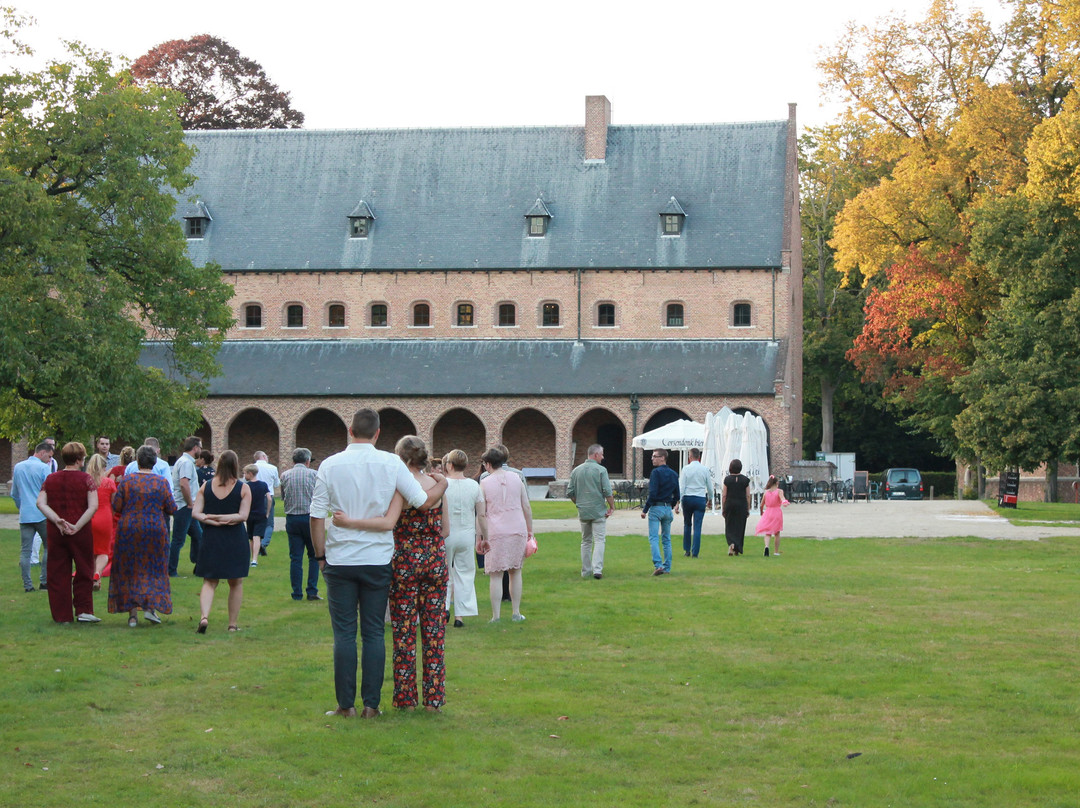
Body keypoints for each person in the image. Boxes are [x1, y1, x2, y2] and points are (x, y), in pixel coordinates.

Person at [310, 408, 446, 719]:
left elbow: (316, 515)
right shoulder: (390, 462)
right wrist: (444, 485)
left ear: (349, 429)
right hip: (376, 559)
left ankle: (346, 706)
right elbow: (423, 501)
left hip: (341, 559)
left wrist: (320, 555)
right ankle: (371, 705)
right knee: (373, 632)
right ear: (378, 433)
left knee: (344, 633)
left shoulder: (330, 465)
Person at [387, 436, 448, 711]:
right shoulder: (437, 485)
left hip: (405, 562)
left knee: (404, 632)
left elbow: (391, 522)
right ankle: (433, 701)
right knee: (434, 633)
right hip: (435, 559)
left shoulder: (399, 485)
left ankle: (406, 700)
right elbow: (445, 530)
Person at [109, 445, 177, 626]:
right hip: (154, 528)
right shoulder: (161, 482)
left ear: (137, 461)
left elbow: (116, 506)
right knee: (153, 568)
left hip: (129, 528)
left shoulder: (127, 481)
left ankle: (132, 615)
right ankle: (150, 609)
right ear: (154, 462)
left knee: (131, 569)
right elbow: (171, 508)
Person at [37, 442, 99, 623]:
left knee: (57, 572)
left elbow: (41, 503)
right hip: (80, 531)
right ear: (80, 459)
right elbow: (93, 506)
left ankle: (62, 615)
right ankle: (83, 609)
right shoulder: (86, 479)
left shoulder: (51, 479)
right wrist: (77, 525)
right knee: (84, 569)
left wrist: (56, 520)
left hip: (57, 532)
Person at [192, 450, 252, 633]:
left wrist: (211, 519)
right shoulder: (243, 488)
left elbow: (196, 513)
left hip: (211, 537)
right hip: (234, 538)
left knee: (209, 581)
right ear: (236, 465)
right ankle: (232, 624)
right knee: (236, 582)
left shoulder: (206, 486)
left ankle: (204, 617)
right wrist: (225, 518)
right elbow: (243, 516)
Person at [478, 445, 532, 622]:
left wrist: (480, 536)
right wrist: (530, 530)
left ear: (488, 464)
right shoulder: (517, 478)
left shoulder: (484, 482)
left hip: (495, 531)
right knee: (516, 571)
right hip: (518, 528)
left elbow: (482, 513)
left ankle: (496, 616)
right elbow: (526, 506)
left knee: (495, 574)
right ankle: (516, 612)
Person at [441, 449, 486, 627]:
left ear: (449, 465)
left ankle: (443, 608)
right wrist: (484, 537)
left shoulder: (443, 484)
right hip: (467, 534)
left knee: (444, 573)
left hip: (446, 533)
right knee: (465, 574)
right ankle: (460, 615)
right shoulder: (474, 486)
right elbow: (481, 515)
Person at [567, 444, 614, 580]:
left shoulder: (576, 470)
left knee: (585, 541)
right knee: (599, 540)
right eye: (602, 454)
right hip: (598, 510)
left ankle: (585, 571)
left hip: (583, 511)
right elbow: (607, 491)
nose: (603, 457)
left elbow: (570, 492)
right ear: (596, 455)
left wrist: (578, 503)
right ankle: (597, 569)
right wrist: (612, 506)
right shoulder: (601, 470)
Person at [12, 442, 54, 593]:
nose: (49, 460)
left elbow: (14, 493)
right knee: (48, 547)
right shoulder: (44, 468)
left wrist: (21, 506)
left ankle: (27, 585)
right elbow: (50, 491)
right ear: (42, 452)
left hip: (25, 514)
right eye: (49, 456)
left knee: (25, 551)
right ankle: (44, 581)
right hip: (41, 514)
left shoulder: (18, 467)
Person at [280, 448, 321, 601]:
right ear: (308, 461)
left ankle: (296, 593)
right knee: (314, 556)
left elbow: (284, 497)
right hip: (309, 518)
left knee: (296, 558)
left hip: (292, 518)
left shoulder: (285, 475)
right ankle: (312, 591)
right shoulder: (314, 474)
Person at [641, 448, 680, 576]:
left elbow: (653, 493)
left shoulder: (656, 473)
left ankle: (658, 564)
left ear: (662, 457)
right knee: (666, 539)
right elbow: (677, 494)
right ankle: (667, 567)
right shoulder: (674, 474)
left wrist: (645, 509)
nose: (652, 458)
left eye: (655, 456)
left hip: (656, 507)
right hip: (667, 508)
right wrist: (671, 505)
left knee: (653, 537)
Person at [168, 436, 203, 577]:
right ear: (195, 448)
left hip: (188, 506)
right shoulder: (186, 463)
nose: (201, 450)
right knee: (178, 539)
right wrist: (190, 503)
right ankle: (171, 570)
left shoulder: (186, 462)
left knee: (199, 536)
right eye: (200, 447)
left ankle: (199, 566)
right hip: (184, 506)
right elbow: (184, 483)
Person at [86, 454, 117, 591]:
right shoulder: (108, 482)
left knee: (92, 550)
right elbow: (114, 502)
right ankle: (97, 574)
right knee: (104, 551)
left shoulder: (86, 482)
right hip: (105, 517)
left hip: (90, 517)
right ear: (104, 467)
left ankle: (93, 576)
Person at [679, 447, 713, 558]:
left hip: (688, 497)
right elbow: (709, 486)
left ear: (690, 456)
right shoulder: (704, 469)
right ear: (699, 456)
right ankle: (695, 552)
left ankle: (687, 549)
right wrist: (710, 498)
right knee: (697, 526)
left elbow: (682, 486)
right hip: (699, 498)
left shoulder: (685, 469)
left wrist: (679, 501)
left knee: (687, 524)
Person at [243, 464, 272, 567]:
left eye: (245, 473)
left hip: (250, 514)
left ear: (250, 474)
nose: (244, 475)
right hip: (261, 514)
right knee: (257, 537)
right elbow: (269, 499)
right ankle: (254, 559)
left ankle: (252, 558)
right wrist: (267, 512)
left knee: (251, 537)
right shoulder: (263, 485)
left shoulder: (246, 486)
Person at [722, 459, 752, 556]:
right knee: (740, 526)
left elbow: (724, 495)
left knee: (729, 525)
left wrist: (723, 507)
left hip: (730, 504)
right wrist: (748, 507)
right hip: (741, 504)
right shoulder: (745, 480)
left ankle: (731, 544)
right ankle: (738, 547)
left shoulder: (727, 480)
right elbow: (748, 495)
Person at [755, 475, 790, 557]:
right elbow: (782, 499)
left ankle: (766, 546)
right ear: (777, 482)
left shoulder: (766, 492)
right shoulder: (779, 491)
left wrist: (761, 513)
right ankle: (776, 551)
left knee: (768, 532)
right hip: (776, 512)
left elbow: (761, 505)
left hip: (768, 512)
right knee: (777, 533)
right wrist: (784, 502)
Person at [253, 451, 280, 556]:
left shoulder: (252, 468)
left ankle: (256, 542)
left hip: (254, 498)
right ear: (263, 457)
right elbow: (277, 484)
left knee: (256, 522)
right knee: (269, 523)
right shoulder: (272, 468)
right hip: (268, 497)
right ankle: (264, 544)